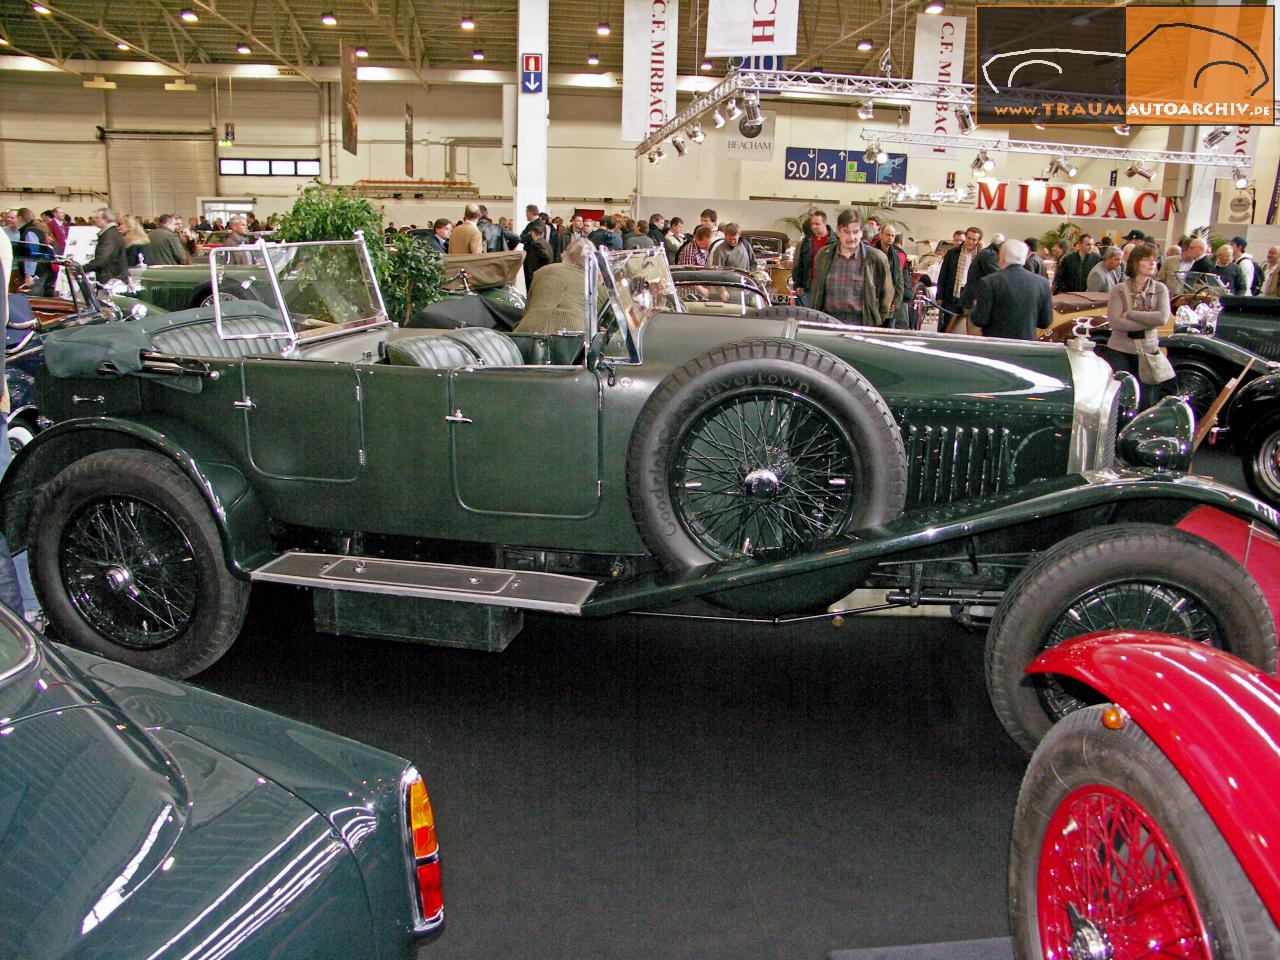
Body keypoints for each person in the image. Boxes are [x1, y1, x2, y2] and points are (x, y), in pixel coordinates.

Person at [1101, 242, 1174, 408]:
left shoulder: (1160, 289)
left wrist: (1132, 314)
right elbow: (1115, 322)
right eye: (1147, 259)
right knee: (1119, 400)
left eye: (1154, 260)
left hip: (1148, 352)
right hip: (1120, 351)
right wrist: (1148, 322)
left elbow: (1162, 318)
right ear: (1135, 262)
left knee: (1146, 401)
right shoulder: (1119, 289)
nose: (1152, 263)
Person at [808, 210, 892, 327]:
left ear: (862, 232)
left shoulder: (876, 258)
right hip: (827, 322)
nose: (851, 237)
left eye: (855, 232)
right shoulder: (824, 255)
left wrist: (875, 321)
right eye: (846, 232)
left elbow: (886, 296)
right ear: (838, 231)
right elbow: (816, 290)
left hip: (861, 323)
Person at [969, 239, 1053, 340]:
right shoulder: (1042, 283)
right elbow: (1045, 322)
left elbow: (980, 320)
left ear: (1001, 256)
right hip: (1026, 344)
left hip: (995, 345)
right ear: (1025, 257)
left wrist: (975, 306)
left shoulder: (989, 281)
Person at [516, 237, 595, 335]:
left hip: (527, 333)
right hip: (573, 340)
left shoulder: (541, 272)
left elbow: (528, 308)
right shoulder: (592, 282)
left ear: (566, 254)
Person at [936, 225, 983, 325]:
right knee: (948, 324)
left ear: (978, 241)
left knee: (967, 324)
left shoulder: (981, 256)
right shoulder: (952, 253)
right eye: (969, 238)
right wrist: (939, 296)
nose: (970, 241)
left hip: (971, 294)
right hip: (953, 293)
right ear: (965, 237)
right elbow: (943, 275)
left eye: (974, 240)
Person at [871, 223, 910, 329]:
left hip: (889, 304)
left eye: (892, 236)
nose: (890, 238)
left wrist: (896, 302)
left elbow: (899, 281)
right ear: (881, 235)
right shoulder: (871, 254)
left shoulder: (895, 257)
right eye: (887, 235)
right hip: (873, 303)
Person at [791, 210, 830, 306]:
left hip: (827, 288)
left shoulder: (834, 241)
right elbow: (800, 264)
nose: (814, 227)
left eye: (817, 224)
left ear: (824, 224)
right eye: (812, 224)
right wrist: (798, 284)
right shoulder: (807, 241)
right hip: (809, 286)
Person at [83, 207, 128, 284]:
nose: (94, 220)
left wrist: (83, 269)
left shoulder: (109, 235)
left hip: (110, 277)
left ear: (106, 219)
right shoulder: (112, 233)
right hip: (113, 275)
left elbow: (102, 258)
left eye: (97, 218)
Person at [522, 219, 553, 289]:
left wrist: (532, 275)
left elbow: (534, 262)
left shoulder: (535, 244)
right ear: (542, 233)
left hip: (537, 276)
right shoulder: (547, 244)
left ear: (532, 233)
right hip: (545, 275)